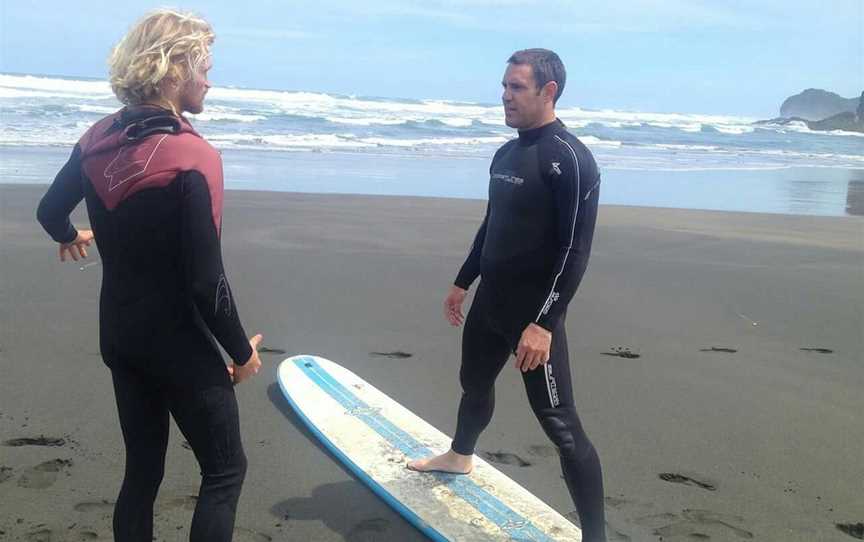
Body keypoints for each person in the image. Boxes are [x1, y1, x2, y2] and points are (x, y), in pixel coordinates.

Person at [36, 10, 261, 542]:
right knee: (225, 473)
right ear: (174, 68)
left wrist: (70, 236)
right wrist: (240, 353)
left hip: (119, 336)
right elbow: (207, 282)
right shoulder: (192, 156)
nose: (209, 79)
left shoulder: (95, 139)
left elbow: (49, 210)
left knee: (142, 472)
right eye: (203, 66)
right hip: (179, 344)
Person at [407, 49, 606, 541]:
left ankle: (595, 537)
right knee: (473, 384)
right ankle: (460, 456)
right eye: (504, 86)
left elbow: (574, 251)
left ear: (548, 91)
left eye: (516, 87)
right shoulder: (506, 153)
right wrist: (463, 279)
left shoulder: (572, 160)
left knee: (560, 426)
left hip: (534, 317)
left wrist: (543, 323)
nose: (505, 95)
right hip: (490, 303)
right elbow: (492, 224)